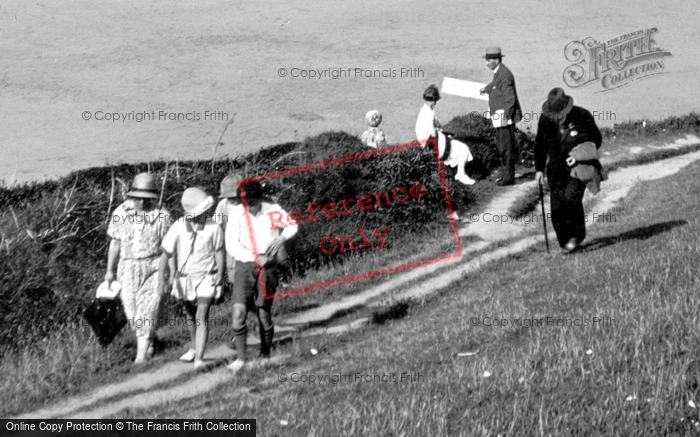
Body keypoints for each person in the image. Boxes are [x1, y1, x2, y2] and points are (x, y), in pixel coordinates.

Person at [225, 181, 298, 373]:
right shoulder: (236, 213)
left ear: (260, 197)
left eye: (253, 201)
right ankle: (241, 359)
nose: (249, 205)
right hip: (245, 266)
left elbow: (293, 225)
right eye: (246, 202)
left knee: (263, 313)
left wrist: (281, 238)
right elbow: (231, 244)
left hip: (268, 268)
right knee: (238, 312)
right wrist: (254, 258)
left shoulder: (272, 210)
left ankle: (265, 354)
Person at [105, 173, 171, 363]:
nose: (142, 202)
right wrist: (109, 270)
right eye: (138, 198)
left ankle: (140, 357)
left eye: (146, 198)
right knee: (133, 313)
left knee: (148, 309)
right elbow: (115, 243)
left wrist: (170, 273)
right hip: (128, 266)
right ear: (132, 195)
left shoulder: (162, 216)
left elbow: (168, 248)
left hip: (154, 266)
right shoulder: (120, 213)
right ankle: (150, 338)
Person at [159, 187, 225, 371]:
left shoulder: (214, 227)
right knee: (190, 315)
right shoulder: (178, 227)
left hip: (207, 277)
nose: (206, 213)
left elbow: (219, 250)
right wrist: (162, 280)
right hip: (185, 279)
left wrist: (220, 272)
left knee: (201, 315)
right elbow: (165, 254)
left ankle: (199, 360)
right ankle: (194, 347)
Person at [535, 88, 602, 254]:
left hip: (578, 168)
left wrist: (578, 154)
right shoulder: (544, 120)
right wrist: (539, 169)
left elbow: (596, 140)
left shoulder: (582, 115)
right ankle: (565, 243)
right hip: (556, 169)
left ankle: (577, 236)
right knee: (557, 209)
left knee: (571, 199)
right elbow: (540, 145)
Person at [415, 84, 476, 185]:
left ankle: (460, 173)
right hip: (433, 145)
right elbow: (433, 133)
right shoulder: (429, 113)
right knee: (463, 148)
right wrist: (444, 135)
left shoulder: (424, 111)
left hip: (427, 143)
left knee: (458, 147)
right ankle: (460, 174)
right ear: (434, 100)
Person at [479, 46, 522, 186]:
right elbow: (495, 84)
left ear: (497, 60)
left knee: (506, 149)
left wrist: (505, 117)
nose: (487, 63)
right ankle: (505, 175)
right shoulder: (500, 72)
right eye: (486, 60)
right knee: (502, 147)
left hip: (504, 118)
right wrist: (486, 89)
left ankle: (508, 178)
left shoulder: (504, 75)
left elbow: (510, 99)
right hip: (500, 116)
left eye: (489, 60)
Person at [214, 174, 243, 288]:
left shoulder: (245, 204)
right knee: (231, 265)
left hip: (245, 239)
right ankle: (233, 288)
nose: (232, 199)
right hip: (229, 239)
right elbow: (217, 223)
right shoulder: (223, 205)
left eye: (234, 196)